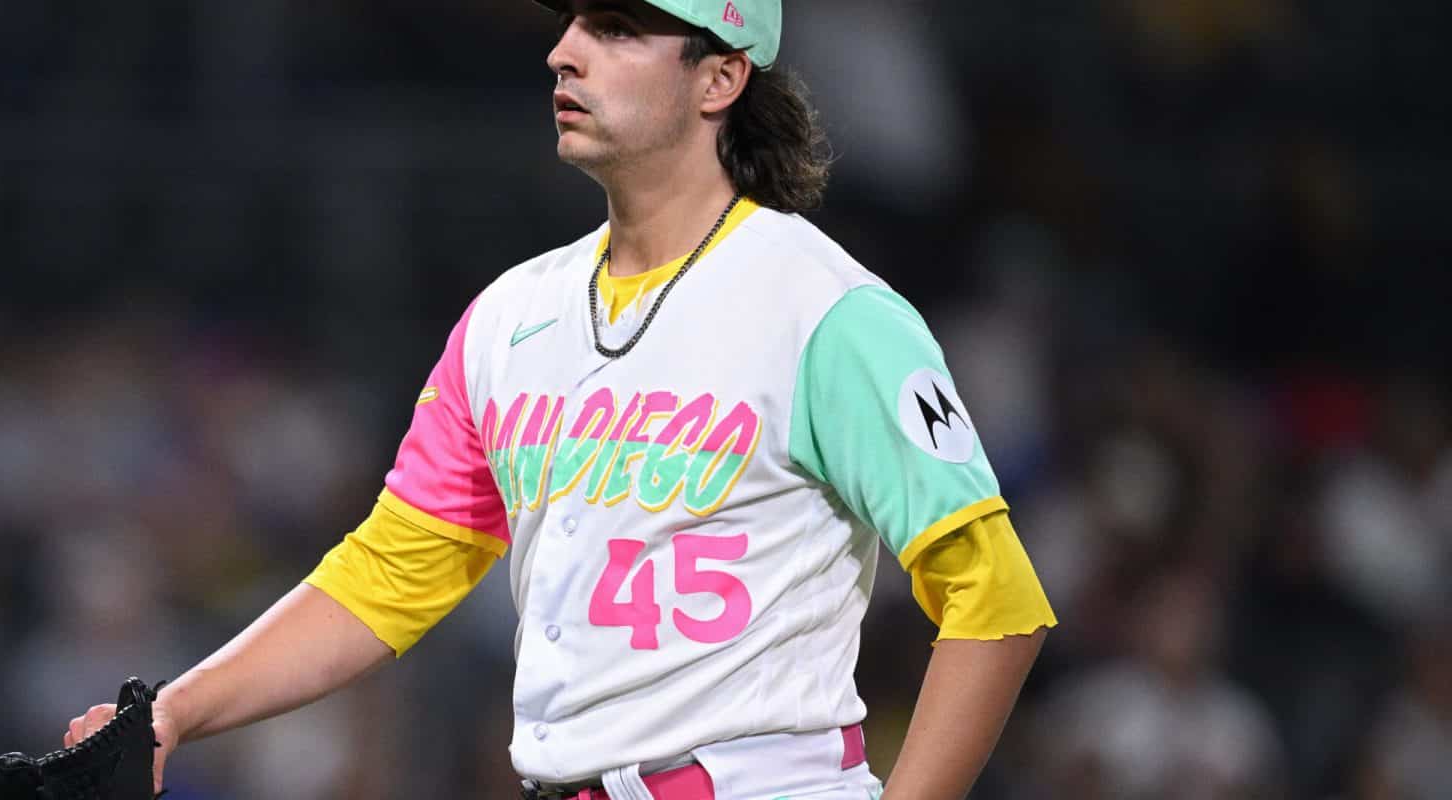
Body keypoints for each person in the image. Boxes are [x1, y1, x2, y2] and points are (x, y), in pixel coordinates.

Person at [66, 1, 1058, 797]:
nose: (564, 52)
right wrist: (174, 709)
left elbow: (997, 600)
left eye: (618, 27)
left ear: (720, 75)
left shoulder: (828, 312)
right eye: (572, 22)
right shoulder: (509, 316)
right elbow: (389, 575)